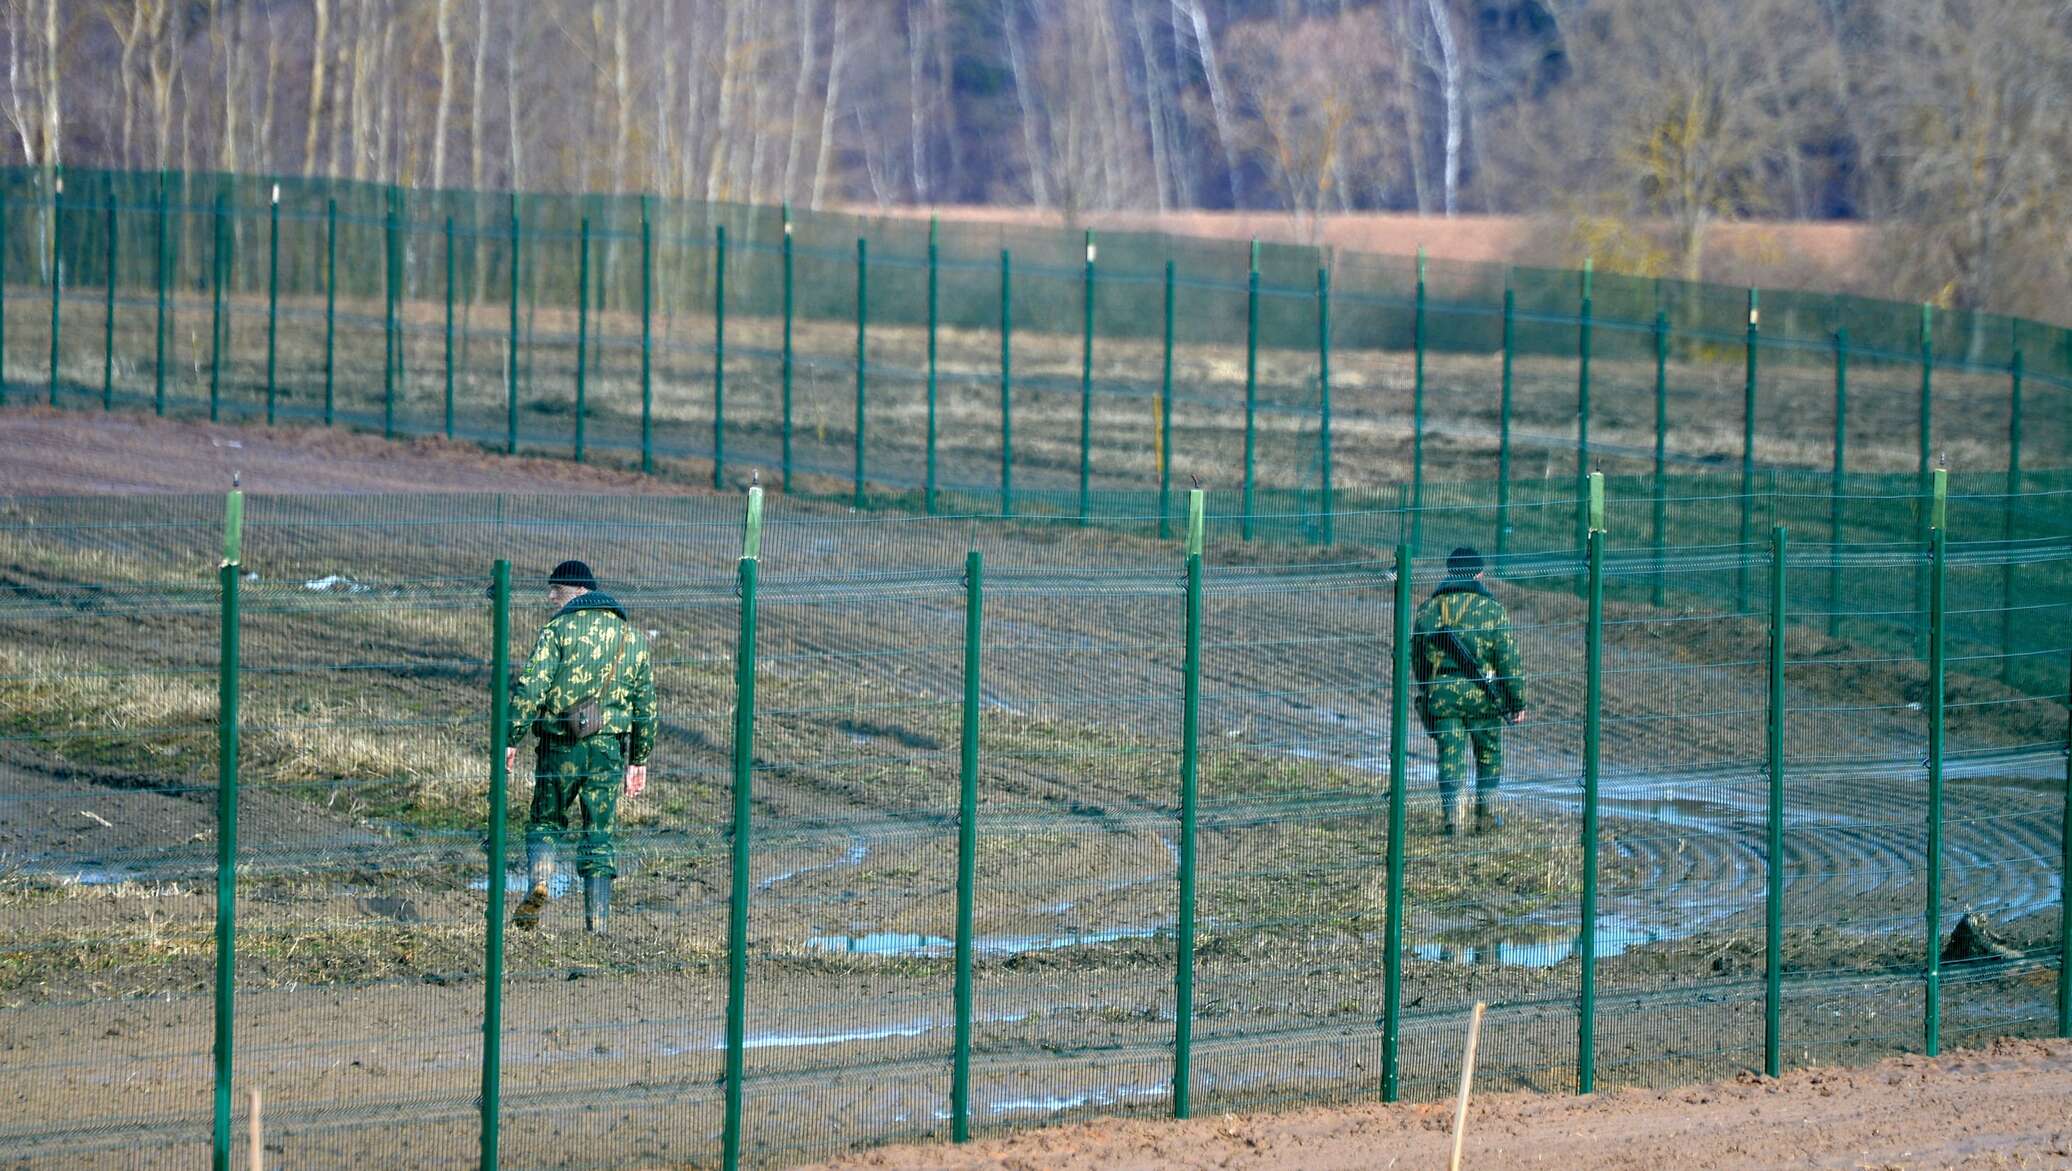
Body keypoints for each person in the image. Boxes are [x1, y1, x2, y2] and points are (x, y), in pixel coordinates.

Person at [505, 559, 656, 934]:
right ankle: (598, 926)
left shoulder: (557, 630)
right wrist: (638, 758)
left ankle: (539, 882)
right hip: (607, 750)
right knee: (598, 833)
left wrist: (510, 738)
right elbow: (646, 705)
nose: (550, 596)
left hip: (560, 745)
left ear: (578, 591)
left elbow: (530, 687)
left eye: (555, 589)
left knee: (544, 820)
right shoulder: (630, 637)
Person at [1411, 546, 1527, 836]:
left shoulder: (1430, 609)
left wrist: (1430, 689)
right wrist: (1516, 701)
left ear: (1450, 572)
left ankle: (1452, 818)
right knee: (1488, 755)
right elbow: (1508, 661)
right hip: (1483, 697)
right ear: (1479, 574)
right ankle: (1484, 817)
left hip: (1443, 695)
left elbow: (1417, 656)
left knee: (1450, 756)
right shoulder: (1492, 609)